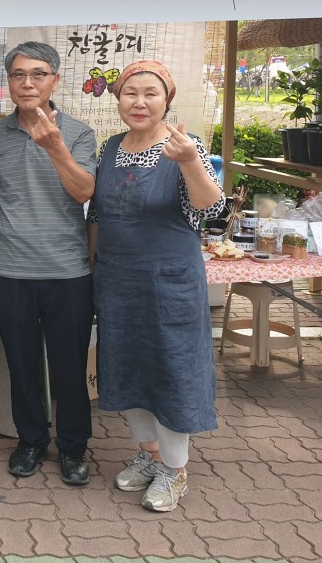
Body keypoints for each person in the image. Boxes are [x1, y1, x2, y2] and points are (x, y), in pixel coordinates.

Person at [87, 59, 224, 513]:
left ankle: (174, 469)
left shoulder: (186, 146)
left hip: (170, 286)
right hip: (118, 280)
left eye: (150, 93)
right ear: (118, 99)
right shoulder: (110, 149)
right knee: (127, 369)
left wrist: (189, 163)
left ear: (167, 99)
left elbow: (209, 207)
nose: (139, 102)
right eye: (130, 93)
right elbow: (98, 216)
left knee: (171, 373)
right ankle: (147, 456)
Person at [0, 41, 97, 486]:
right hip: (10, 269)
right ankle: (30, 439)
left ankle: (73, 447)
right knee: (22, 362)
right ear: (8, 82)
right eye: (18, 75)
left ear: (55, 80)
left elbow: (84, 191)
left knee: (70, 365)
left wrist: (55, 147)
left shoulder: (81, 133)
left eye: (37, 74)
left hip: (68, 270)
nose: (27, 82)